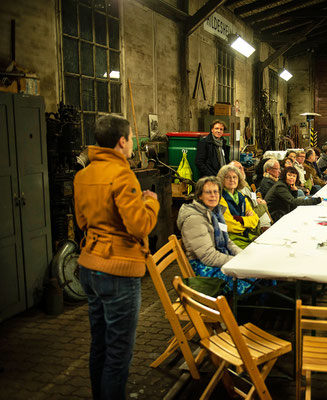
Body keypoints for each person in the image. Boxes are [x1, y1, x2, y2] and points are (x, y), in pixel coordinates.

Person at [74, 115, 160, 400]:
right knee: (119, 354)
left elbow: (82, 222)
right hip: (119, 272)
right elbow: (140, 226)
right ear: (122, 142)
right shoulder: (122, 175)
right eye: (132, 137)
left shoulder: (83, 175)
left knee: (99, 345)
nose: (132, 141)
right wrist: (150, 203)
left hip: (90, 266)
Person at [177, 176, 249, 294]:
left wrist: (242, 256)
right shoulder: (194, 220)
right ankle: (242, 310)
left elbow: (228, 242)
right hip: (203, 268)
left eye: (216, 192)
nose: (213, 195)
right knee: (250, 279)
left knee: (256, 274)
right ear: (199, 196)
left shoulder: (215, 213)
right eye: (208, 192)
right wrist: (237, 262)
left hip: (217, 259)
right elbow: (208, 257)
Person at [217, 165, 260, 249]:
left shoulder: (242, 196)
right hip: (230, 239)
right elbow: (228, 225)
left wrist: (240, 219)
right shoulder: (219, 198)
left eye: (234, 177)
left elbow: (255, 219)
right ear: (222, 180)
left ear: (239, 179)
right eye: (227, 177)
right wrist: (247, 223)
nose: (232, 180)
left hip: (247, 236)